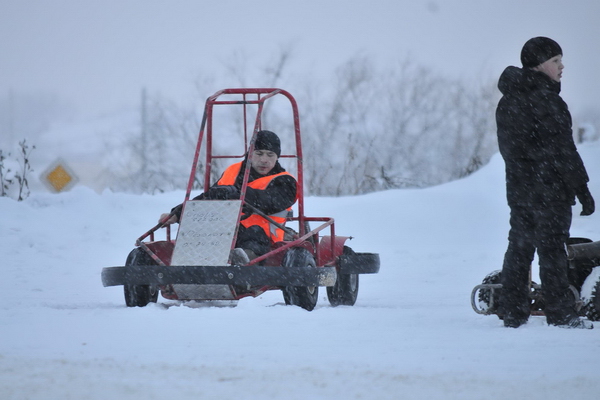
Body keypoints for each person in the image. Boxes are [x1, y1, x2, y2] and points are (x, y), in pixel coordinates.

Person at [496, 37, 595, 329]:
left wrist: (526, 175)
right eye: (555, 61)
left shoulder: (508, 99)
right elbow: (563, 150)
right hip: (550, 190)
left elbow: (511, 149)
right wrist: (582, 189)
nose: (561, 66)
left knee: (519, 250)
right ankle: (562, 314)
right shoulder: (547, 100)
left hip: (520, 189)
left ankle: (513, 313)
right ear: (539, 64)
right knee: (552, 253)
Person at [160, 130, 298, 264]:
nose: (264, 160)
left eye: (270, 155)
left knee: (255, 233)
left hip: (265, 237)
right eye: (259, 153)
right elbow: (208, 197)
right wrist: (177, 214)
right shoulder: (233, 171)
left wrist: (238, 193)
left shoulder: (285, 181)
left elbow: (271, 201)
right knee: (201, 231)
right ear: (250, 154)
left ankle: (244, 264)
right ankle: (186, 263)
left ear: (277, 157)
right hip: (224, 230)